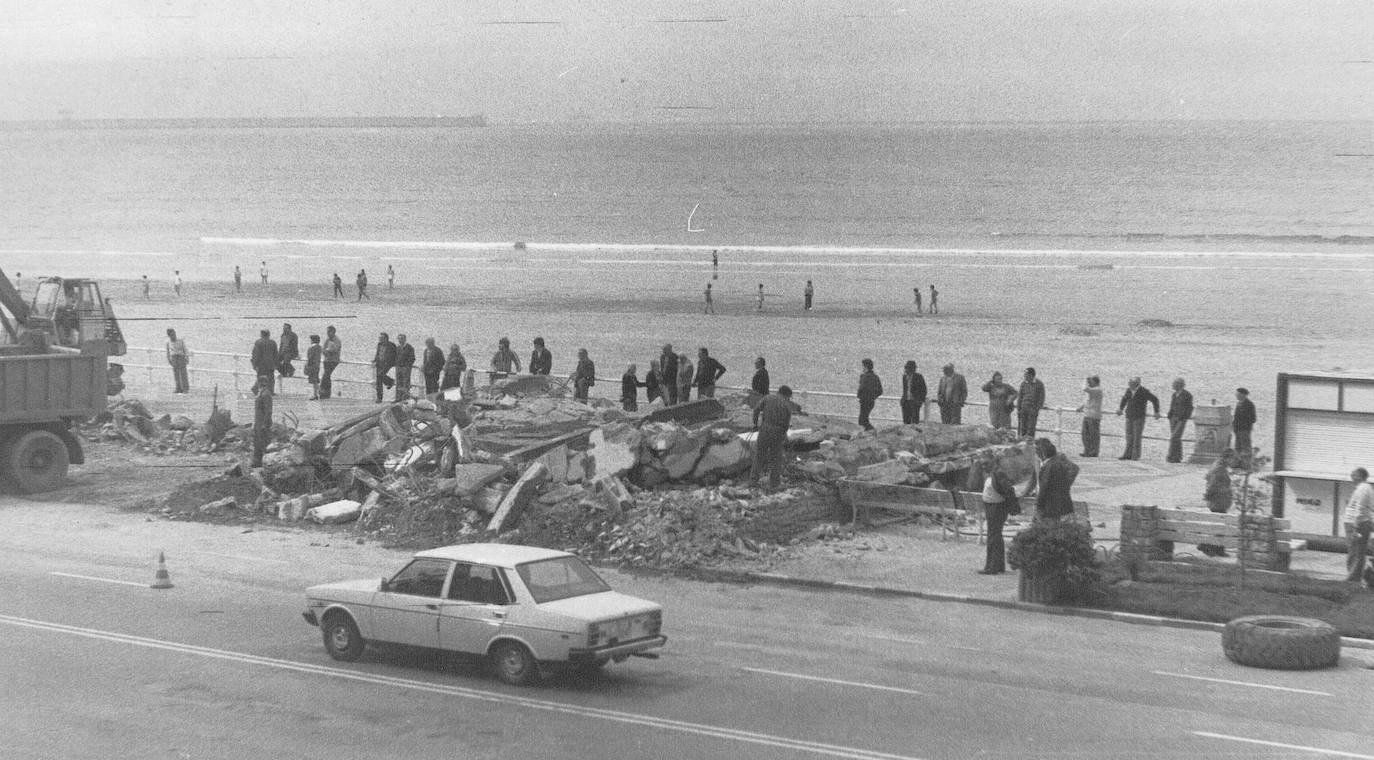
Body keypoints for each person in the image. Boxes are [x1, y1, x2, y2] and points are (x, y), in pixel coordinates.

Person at [977, 453, 1021, 574]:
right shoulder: (993, 473)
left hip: (997, 508)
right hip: (991, 507)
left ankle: (992, 567)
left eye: (986, 463)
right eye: (982, 464)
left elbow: (1008, 490)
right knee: (995, 536)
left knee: (993, 537)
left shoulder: (999, 473)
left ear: (993, 461)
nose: (984, 466)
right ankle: (997, 566)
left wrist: (1011, 506)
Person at [751, 385, 794, 490]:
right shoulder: (787, 405)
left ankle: (753, 481)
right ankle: (774, 484)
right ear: (787, 395)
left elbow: (756, 409)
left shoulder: (767, 398)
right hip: (778, 432)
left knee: (759, 456)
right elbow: (786, 424)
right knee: (775, 458)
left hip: (765, 429)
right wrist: (784, 435)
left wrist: (755, 424)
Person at [1199, 449, 1235, 557]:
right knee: (1219, 526)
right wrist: (1209, 496)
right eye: (1233, 458)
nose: (1234, 461)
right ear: (1227, 458)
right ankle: (1207, 546)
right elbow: (1213, 484)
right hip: (1218, 501)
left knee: (1219, 526)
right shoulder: (1219, 468)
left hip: (1219, 501)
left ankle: (1216, 548)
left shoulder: (1220, 466)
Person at [1034, 438, 1079, 522]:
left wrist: (1038, 505)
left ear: (1042, 453)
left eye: (1037, 451)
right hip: (1063, 503)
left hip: (1051, 506)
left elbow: (1044, 488)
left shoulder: (1049, 467)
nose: (1035, 453)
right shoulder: (1056, 462)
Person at [1116, 377, 1161, 460]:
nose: (1129, 384)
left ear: (1136, 383)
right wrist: (1121, 408)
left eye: (1130, 383)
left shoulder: (1144, 391)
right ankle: (1127, 454)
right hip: (1129, 415)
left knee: (1137, 436)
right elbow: (1124, 399)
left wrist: (1156, 411)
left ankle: (1135, 455)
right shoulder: (1129, 390)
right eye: (1129, 383)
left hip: (1139, 417)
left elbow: (1155, 400)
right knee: (1129, 436)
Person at [1344, 467, 1374, 585]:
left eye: (1354, 474)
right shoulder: (1363, 488)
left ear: (1361, 476)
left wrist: (1356, 526)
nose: (1351, 475)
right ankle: (1353, 577)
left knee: (1356, 551)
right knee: (1355, 551)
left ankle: (1352, 579)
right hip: (1359, 523)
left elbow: (1360, 508)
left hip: (1358, 524)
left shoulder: (1363, 489)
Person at [1165, 377, 1195, 464]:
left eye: (1174, 384)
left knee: (1174, 437)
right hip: (1173, 418)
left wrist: (1185, 416)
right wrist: (1170, 414)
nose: (1173, 385)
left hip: (1181, 419)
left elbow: (1190, 407)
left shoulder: (1187, 395)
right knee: (1176, 438)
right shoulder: (1174, 395)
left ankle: (1171, 456)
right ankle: (1177, 457)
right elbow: (1172, 405)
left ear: (1179, 385)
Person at [1078, 376, 1103, 457]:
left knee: (1093, 435)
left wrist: (1085, 380)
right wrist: (1081, 407)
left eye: (1091, 381)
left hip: (1094, 416)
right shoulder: (1092, 391)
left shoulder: (1098, 389)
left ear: (1095, 382)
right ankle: (1087, 450)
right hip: (1087, 414)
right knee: (1085, 434)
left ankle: (1094, 452)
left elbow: (1085, 388)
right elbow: (1088, 400)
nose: (1089, 383)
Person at [1016, 367, 1045, 438]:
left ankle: (1029, 445)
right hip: (1023, 408)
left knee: (1031, 428)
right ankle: (1022, 444)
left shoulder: (1039, 384)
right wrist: (1019, 408)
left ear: (1032, 375)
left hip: (1033, 409)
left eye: (1026, 375)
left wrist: (1036, 409)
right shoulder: (1023, 384)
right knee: (1023, 428)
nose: (1024, 377)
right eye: (1024, 375)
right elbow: (1020, 396)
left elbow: (1041, 398)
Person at [856, 358, 883, 431]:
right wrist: (873, 396)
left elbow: (861, 388)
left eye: (863, 366)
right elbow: (880, 391)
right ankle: (870, 432)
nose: (862, 368)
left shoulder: (864, 376)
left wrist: (860, 396)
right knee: (864, 419)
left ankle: (872, 432)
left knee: (862, 420)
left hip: (865, 401)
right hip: (870, 401)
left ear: (866, 366)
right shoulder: (875, 377)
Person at [1233, 387, 1257, 467]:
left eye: (1238, 394)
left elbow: (1253, 419)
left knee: (1246, 447)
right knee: (1238, 447)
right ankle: (1237, 463)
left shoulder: (1249, 404)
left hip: (1245, 429)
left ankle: (1246, 464)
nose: (1236, 396)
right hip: (1237, 429)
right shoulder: (1239, 403)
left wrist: (1244, 423)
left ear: (1243, 395)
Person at [371, 332, 397, 403]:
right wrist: (375, 360)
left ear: (386, 338)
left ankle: (390, 381)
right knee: (378, 381)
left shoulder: (391, 345)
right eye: (379, 338)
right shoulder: (379, 345)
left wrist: (390, 362)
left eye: (381, 338)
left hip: (388, 364)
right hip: (379, 363)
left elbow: (394, 355)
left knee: (380, 375)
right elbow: (378, 354)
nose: (380, 339)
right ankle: (379, 397)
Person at [250, 329, 278, 393]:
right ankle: (270, 391)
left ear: (262, 334)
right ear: (268, 335)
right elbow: (276, 354)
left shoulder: (258, 342)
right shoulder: (273, 342)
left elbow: (255, 355)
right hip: (270, 364)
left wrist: (254, 365)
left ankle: (256, 389)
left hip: (261, 365)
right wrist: (276, 364)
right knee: (271, 378)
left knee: (260, 378)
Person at [165, 328, 190, 394]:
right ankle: (178, 388)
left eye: (174, 334)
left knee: (183, 373)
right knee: (176, 374)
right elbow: (168, 352)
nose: (173, 336)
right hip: (174, 358)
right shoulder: (168, 342)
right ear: (169, 335)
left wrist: (187, 357)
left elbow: (185, 349)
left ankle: (185, 388)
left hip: (181, 357)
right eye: (172, 335)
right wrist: (169, 359)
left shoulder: (180, 340)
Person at [320, 326, 341, 399]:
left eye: (329, 332)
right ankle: (327, 393)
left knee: (326, 375)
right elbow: (323, 350)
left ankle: (323, 391)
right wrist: (327, 351)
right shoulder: (327, 340)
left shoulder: (337, 340)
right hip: (327, 360)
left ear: (333, 332)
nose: (328, 333)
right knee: (327, 376)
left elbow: (335, 350)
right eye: (327, 332)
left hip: (333, 361)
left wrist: (328, 351)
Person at [277, 322, 299, 392]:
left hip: (291, 352)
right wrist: (279, 353)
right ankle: (284, 373)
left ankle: (291, 370)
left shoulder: (293, 335)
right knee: (275, 361)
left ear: (289, 329)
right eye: (283, 328)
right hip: (283, 352)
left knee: (286, 361)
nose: (284, 330)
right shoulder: (282, 335)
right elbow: (281, 345)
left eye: (285, 328)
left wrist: (286, 351)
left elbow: (294, 346)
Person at [394, 333, 415, 401]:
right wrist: (397, 364)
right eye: (399, 339)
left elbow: (412, 358)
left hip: (406, 368)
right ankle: (398, 398)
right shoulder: (397, 348)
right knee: (398, 383)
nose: (400, 340)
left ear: (405, 339)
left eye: (402, 339)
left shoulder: (409, 348)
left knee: (406, 383)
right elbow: (395, 357)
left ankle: (405, 399)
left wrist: (407, 366)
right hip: (398, 368)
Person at [304, 334, 322, 400]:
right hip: (317, 365)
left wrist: (307, 366)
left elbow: (310, 358)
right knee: (316, 381)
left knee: (314, 381)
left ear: (313, 340)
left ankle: (315, 395)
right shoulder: (320, 347)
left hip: (312, 366)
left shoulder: (311, 348)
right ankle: (318, 393)